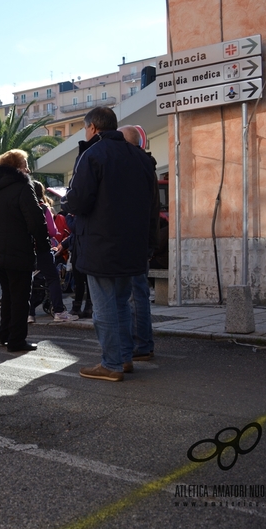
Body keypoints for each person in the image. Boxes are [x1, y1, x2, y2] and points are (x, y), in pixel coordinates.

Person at [61, 107, 156, 382]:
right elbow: (151, 208)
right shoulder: (141, 159)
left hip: (101, 244)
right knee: (121, 304)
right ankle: (124, 358)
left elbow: (79, 201)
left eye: (84, 128)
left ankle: (111, 363)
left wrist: (67, 202)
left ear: (92, 128)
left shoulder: (93, 155)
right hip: (132, 246)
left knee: (104, 307)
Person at [0, 149, 49, 353]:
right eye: (25, 164)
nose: (28, 169)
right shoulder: (23, 186)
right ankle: (16, 341)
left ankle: (4, 335)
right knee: (20, 297)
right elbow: (36, 220)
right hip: (17, 250)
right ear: (17, 167)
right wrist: (43, 246)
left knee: (9, 295)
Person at [119, 124, 161, 364]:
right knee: (139, 293)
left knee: (135, 295)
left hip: (135, 239)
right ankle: (143, 344)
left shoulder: (134, 167)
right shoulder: (148, 167)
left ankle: (141, 345)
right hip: (144, 238)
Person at [29, 181, 77, 323]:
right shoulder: (43, 208)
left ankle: (29, 313)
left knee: (29, 281)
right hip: (43, 248)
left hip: (26, 250)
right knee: (52, 279)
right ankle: (58, 311)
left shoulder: (22, 207)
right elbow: (52, 231)